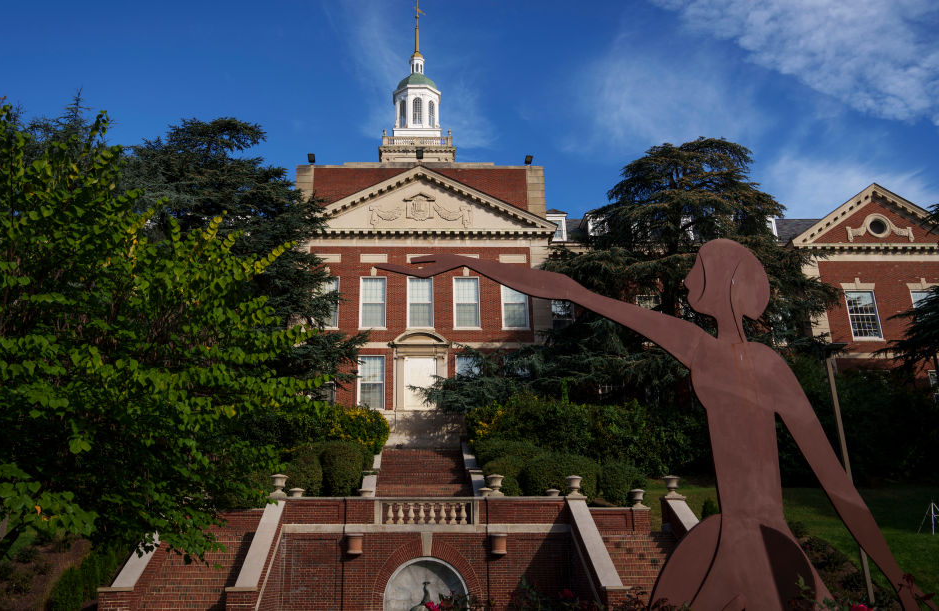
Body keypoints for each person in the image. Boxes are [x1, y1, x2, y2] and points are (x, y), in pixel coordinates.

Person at [377, 239, 933, 610]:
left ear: (727, 282)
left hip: (763, 543)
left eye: (699, 268)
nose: (687, 276)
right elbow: (573, 291)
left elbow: (835, 481)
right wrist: (469, 263)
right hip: (723, 533)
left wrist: (899, 583)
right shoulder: (698, 345)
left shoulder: (765, 364)